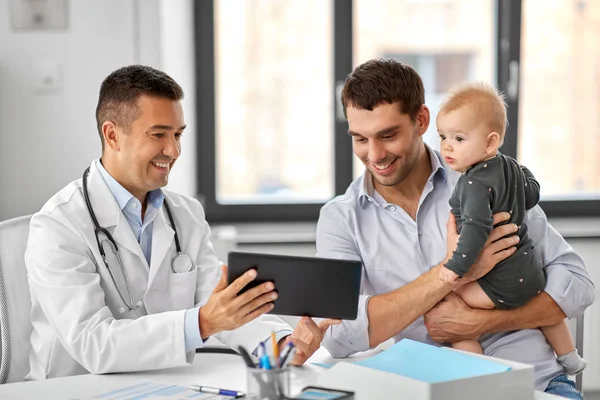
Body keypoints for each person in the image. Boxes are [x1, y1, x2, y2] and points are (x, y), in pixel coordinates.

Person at [24, 65, 335, 380]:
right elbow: (93, 344)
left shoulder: (185, 214)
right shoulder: (57, 225)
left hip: (163, 383)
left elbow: (219, 305)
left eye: (177, 134)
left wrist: (283, 345)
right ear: (112, 134)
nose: (173, 150)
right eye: (158, 134)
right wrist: (201, 323)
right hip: (73, 388)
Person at [306, 59, 593, 399]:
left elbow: (577, 284)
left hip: (534, 385)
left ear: (421, 120)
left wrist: (481, 322)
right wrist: (453, 269)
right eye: (360, 139)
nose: (375, 154)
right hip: (427, 392)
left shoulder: (484, 179)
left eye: (388, 135)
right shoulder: (341, 219)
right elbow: (339, 336)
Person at [436, 82, 586, 375]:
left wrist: (455, 267)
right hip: (530, 271)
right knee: (544, 311)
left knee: (454, 307)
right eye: (443, 137)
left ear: (491, 142)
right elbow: (531, 194)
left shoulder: (471, 183)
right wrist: (522, 172)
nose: (447, 146)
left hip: (501, 283)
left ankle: (477, 372)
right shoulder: (510, 166)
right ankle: (569, 357)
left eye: (459, 138)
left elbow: (477, 229)